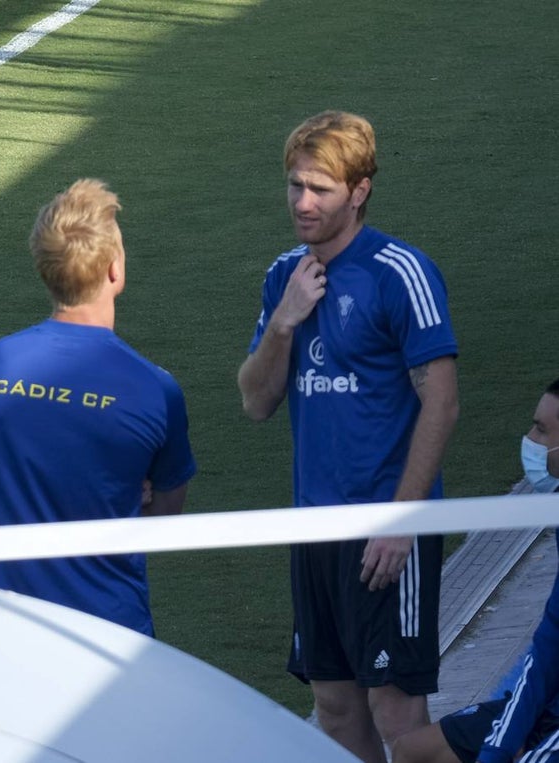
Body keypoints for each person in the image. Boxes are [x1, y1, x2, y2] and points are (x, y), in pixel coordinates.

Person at [237, 111, 460, 762]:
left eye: (320, 189)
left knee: (398, 713)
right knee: (336, 709)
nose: (302, 202)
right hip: (315, 528)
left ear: (359, 190)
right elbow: (255, 401)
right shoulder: (285, 276)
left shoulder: (401, 272)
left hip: (385, 531)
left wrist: (401, 517)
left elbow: (440, 404)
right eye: (294, 186)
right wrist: (283, 323)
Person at [0, 178, 197, 636]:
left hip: (3, 629)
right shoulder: (155, 390)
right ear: (114, 270)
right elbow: (165, 519)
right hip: (109, 635)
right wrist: (126, 493)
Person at [392, 379, 559, 763]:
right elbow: (549, 645)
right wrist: (506, 732)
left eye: (542, 430)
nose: (530, 440)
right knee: (412, 753)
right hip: (546, 702)